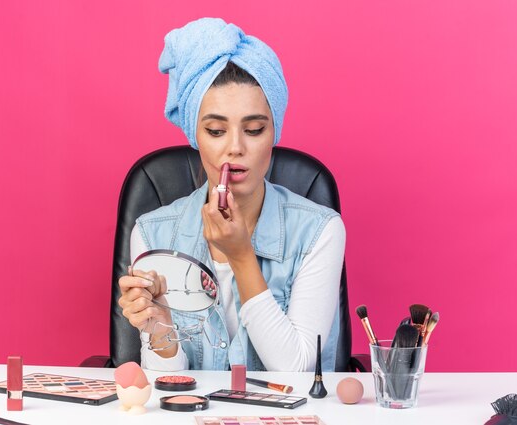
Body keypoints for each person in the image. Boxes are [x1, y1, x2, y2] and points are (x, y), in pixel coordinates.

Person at [118, 18, 346, 372]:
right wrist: (158, 328)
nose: (235, 148)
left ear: (274, 134)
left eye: (254, 130)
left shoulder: (320, 231)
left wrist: (241, 257)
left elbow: (298, 374)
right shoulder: (152, 234)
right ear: (195, 135)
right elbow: (165, 391)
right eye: (215, 130)